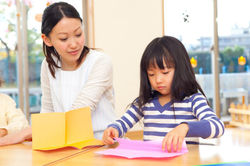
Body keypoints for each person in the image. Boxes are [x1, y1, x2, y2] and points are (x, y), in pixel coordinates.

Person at [0, 1, 116, 146]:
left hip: (101, 143)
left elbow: (80, 112)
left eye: (78, 34)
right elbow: (48, 111)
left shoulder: (100, 62)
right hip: (63, 144)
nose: (74, 44)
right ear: (47, 40)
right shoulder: (48, 65)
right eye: (64, 38)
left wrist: (26, 132)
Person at [102, 36, 225, 152]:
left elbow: (218, 126)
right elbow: (123, 123)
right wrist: (114, 129)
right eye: (151, 74)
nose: (158, 80)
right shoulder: (144, 102)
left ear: (181, 69)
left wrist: (185, 127)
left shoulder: (193, 100)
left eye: (165, 72)